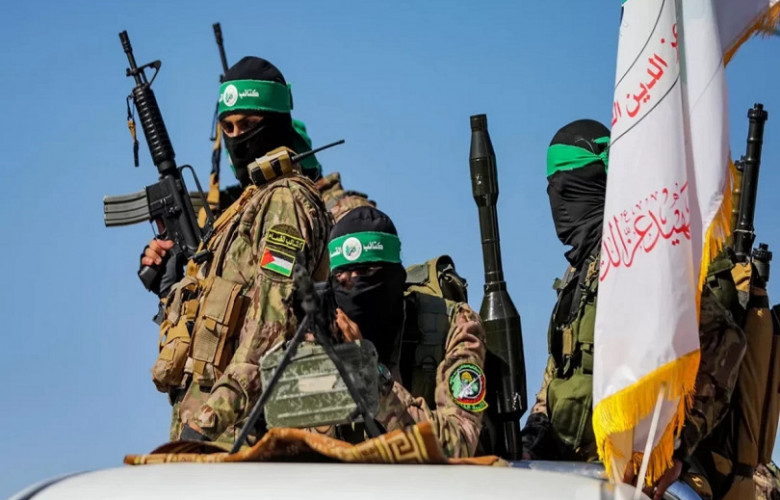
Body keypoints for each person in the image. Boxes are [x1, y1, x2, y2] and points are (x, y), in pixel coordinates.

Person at [520, 119, 745, 500]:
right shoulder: (578, 273)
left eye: (569, 188)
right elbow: (559, 371)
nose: (559, 204)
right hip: (570, 472)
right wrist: (534, 434)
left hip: (640, 478)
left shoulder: (646, 254)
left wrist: (673, 448)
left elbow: (725, 342)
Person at [146, 56, 332, 445]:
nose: (236, 137)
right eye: (228, 127)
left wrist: (208, 421)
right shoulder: (244, 207)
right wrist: (170, 286)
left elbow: (270, 325)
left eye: (248, 124)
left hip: (245, 435)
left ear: (276, 123)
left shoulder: (284, 201)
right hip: (211, 433)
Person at [326, 206, 487, 458]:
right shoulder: (322, 334)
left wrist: (372, 378)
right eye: (342, 277)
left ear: (395, 276)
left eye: (367, 272)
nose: (354, 286)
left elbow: (460, 444)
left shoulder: (454, 325)